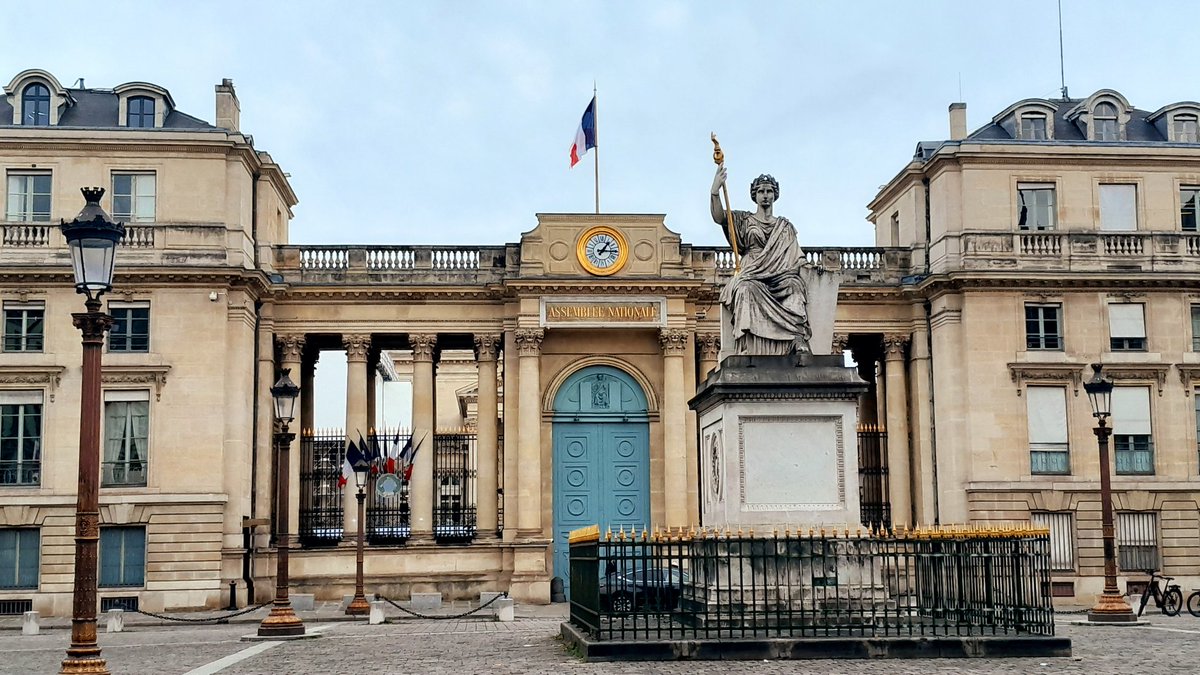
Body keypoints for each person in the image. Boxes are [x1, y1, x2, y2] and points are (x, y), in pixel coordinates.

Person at [710, 166, 811, 355]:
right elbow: (719, 217)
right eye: (761, 191)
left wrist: (811, 269)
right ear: (754, 195)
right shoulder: (744, 220)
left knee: (795, 287)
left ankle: (797, 340)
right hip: (752, 272)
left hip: (780, 273)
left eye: (769, 191)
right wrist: (715, 191)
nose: (765, 195)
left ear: (775, 195)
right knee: (744, 289)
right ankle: (748, 343)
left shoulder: (785, 226)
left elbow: (797, 257)